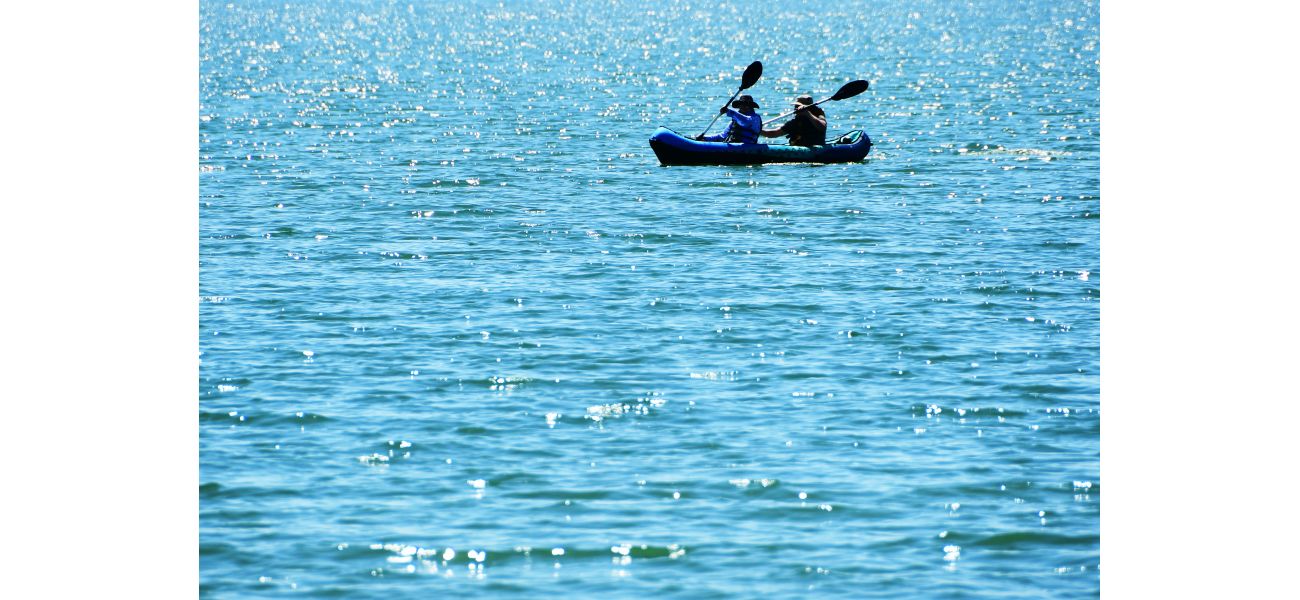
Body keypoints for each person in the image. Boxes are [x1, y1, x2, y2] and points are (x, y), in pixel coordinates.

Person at [761, 95, 827, 146]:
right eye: (795, 106)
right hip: (799, 147)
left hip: (816, 147)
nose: (795, 109)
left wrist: (807, 113)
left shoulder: (819, 114)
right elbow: (774, 133)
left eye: (797, 106)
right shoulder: (795, 122)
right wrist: (759, 130)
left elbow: (822, 127)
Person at [696, 95, 763, 144]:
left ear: (751, 107)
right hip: (731, 146)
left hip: (748, 148)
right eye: (741, 105)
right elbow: (722, 136)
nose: (743, 107)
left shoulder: (755, 118)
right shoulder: (735, 120)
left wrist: (729, 111)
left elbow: (745, 122)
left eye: (747, 105)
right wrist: (705, 138)